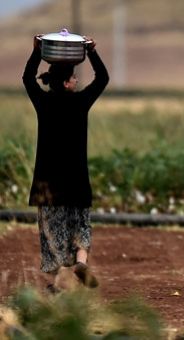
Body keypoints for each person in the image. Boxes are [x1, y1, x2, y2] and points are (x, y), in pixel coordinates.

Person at [23, 34, 109, 292]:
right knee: (81, 226)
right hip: (77, 181)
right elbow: (102, 79)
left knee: (53, 234)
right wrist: (91, 51)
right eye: (73, 77)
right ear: (68, 83)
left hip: (48, 184)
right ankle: (81, 262)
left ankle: (60, 283)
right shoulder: (81, 103)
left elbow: (27, 79)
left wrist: (37, 51)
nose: (76, 79)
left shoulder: (44, 103)